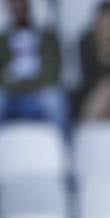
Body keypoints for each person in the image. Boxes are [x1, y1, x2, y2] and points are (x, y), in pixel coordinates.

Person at [0, 0, 67, 128]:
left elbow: (52, 72)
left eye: (21, 4)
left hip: (39, 94)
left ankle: (64, 146)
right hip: (11, 96)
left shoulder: (47, 36)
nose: (18, 8)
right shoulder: (2, 40)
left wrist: (20, 81)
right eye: (14, 5)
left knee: (54, 99)